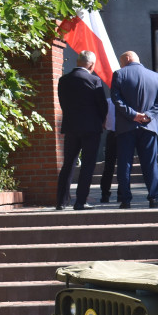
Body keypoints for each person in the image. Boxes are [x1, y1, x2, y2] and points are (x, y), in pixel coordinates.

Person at [111, 50, 158, 209]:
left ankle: (125, 199)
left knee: (125, 163)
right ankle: (154, 198)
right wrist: (148, 115)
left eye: (121, 61)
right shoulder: (156, 77)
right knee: (150, 163)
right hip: (148, 126)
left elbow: (116, 99)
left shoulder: (119, 74)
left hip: (126, 127)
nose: (121, 65)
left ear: (127, 59)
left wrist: (133, 114)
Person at [56, 50, 107, 210]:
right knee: (88, 164)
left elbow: (63, 102)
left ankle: (61, 202)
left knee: (68, 163)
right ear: (91, 64)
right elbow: (102, 105)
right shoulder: (94, 80)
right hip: (91, 127)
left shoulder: (63, 80)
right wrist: (102, 119)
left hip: (71, 126)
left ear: (78, 62)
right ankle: (80, 201)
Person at [99, 97, 119, 202]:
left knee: (108, 166)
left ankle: (105, 194)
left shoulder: (108, 101)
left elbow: (103, 123)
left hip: (111, 134)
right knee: (123, 165)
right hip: (123, 135)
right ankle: (122, 193)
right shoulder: (127, 100)